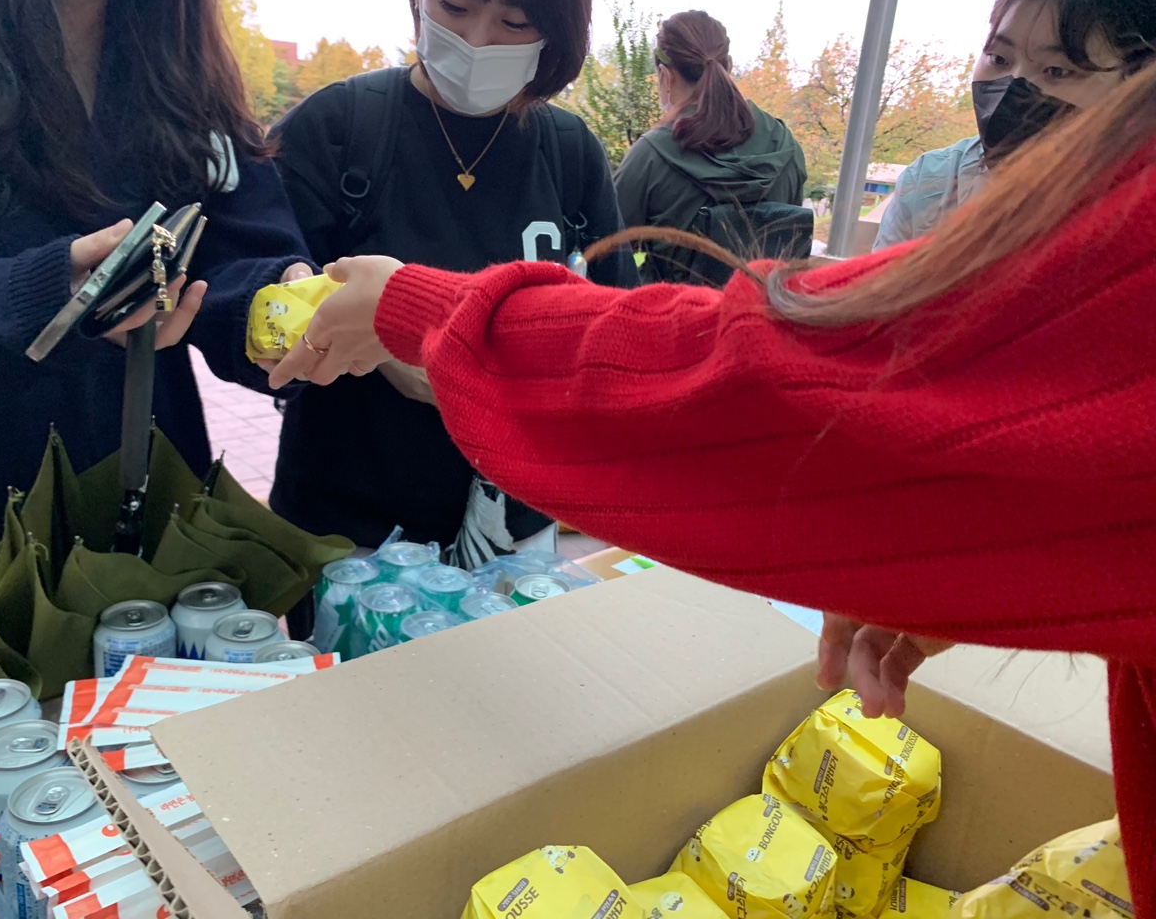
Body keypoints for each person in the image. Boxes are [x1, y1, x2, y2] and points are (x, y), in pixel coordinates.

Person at [264, 62, 1156, 914]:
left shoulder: (574, 147)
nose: (1020, 99)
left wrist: (429, 312)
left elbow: (775, 377)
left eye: (1061, 69)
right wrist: (950, 552)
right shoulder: (342, 124)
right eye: (1002, 56)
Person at [0, 0, 315, 754]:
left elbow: (234, 245)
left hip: (148, 583)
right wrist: (32, 299)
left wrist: (283, 304)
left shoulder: (176, 46)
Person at [268, 0, 635, 599]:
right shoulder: (336, 128)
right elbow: (273, 305)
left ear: (556, 31)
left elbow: (616, 327)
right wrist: (380, 342)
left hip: (514, 521)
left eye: (515, 23)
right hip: (348, 526)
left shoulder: (570, 150)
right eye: (454, 7)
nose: (477, 42)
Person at [874, 0, 1156, 250]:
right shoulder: (930, 185)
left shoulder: (1138, 213)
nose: (1012, 87)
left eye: (1057, 71)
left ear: (1136, 84)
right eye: (999, 58)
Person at [613, 10, 808, 281]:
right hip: (761, 306)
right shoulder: (786, 147)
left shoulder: (651, 155)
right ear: (729, 66)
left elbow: (607, 249)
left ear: (665, 75)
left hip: (673, 307)